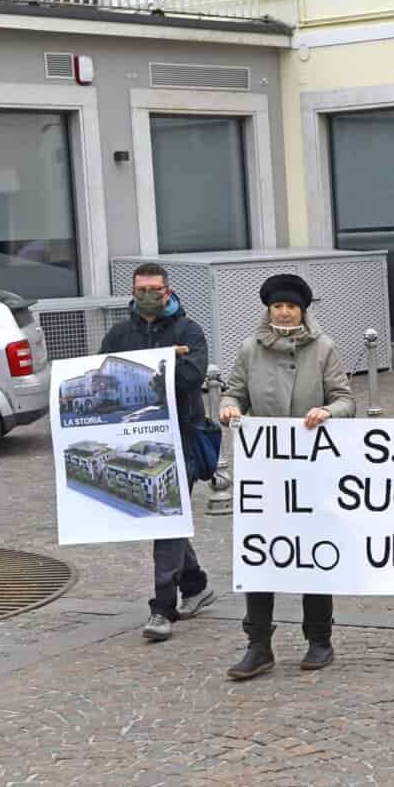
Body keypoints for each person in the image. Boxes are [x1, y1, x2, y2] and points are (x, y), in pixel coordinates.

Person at [219, 274, 356, 679]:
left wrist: (329, 412)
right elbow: (233, 392)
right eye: (277, 305)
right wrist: (228, 407)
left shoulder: (324, 349)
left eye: (291, 306)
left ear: (302, 310)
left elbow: (345, 398)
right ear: (269, 309)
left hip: (312, 468)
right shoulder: (249, 349)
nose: (283, 311)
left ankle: (319, 639)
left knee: (313, 553)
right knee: (261, 553)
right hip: (264, 472)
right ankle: (258, 644)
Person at [99, 262, 216, 641]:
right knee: (169, 518)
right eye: (141, 289)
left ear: (168, 291)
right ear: (133, 292)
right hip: (136, 440)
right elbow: (103, 378)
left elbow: (191, 377)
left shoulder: (189, 330)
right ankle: (196, 584)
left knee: (164, 518)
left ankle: (162, 608)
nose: (147, 295)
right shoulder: (118, 334)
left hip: (182, 438)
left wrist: (146, 371)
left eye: (154, 289)